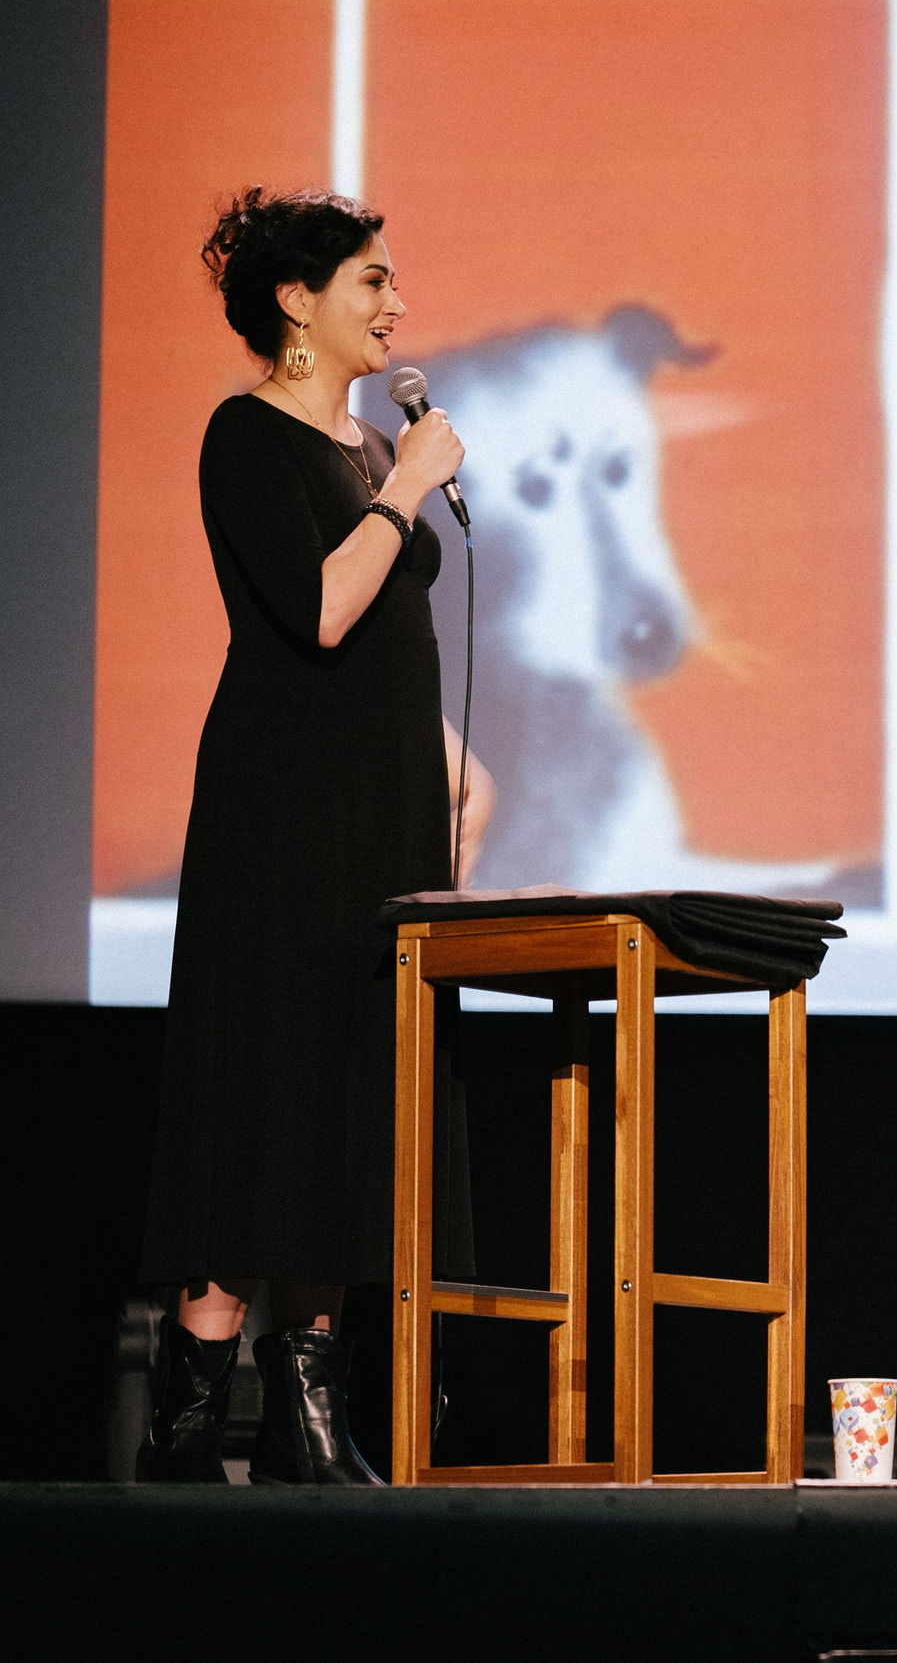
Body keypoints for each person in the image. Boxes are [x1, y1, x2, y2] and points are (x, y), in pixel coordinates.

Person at [135, 187, 494, 1483]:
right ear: (296, 302)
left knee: (354, 1096)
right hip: (281, 814)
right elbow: (320, 612)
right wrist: (404, 481)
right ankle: (188, 1411)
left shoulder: (357, 451)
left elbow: (389, 640)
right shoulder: (253, 440)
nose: (395, 305)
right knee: (270, 1081)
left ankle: (308, 1410)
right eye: (370, 281)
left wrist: (452, 763)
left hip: (382, 813)